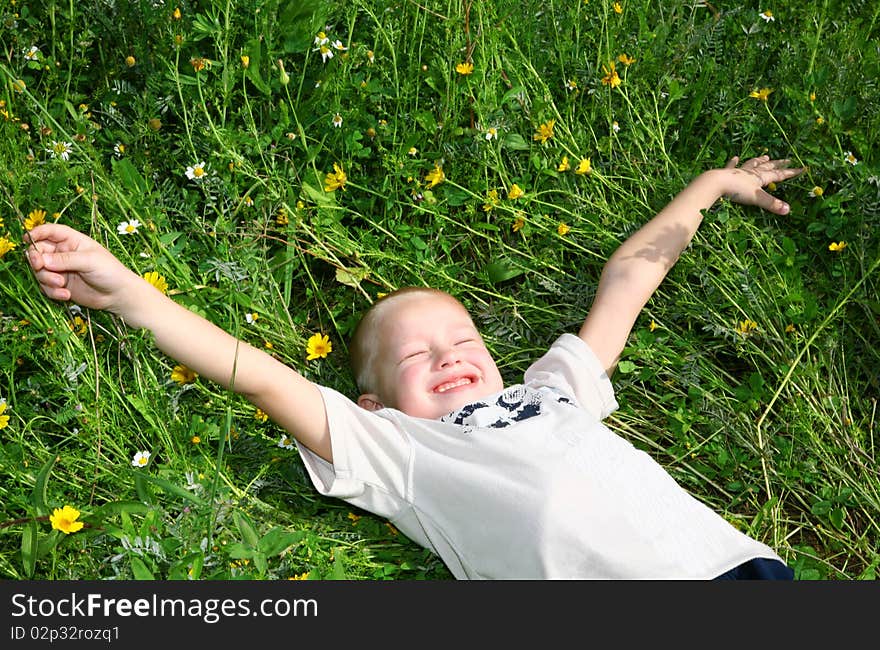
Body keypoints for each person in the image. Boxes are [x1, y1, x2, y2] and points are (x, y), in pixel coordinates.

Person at [26, 154, 803, 579]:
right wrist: (132, 298)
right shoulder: (399, 451)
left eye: (463, 338)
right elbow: (260, 375)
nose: (450, 355)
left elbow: (628, 281)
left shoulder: (555, 392)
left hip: (738, 570)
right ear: (372, 401)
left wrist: (710, 186)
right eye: (415, 354)